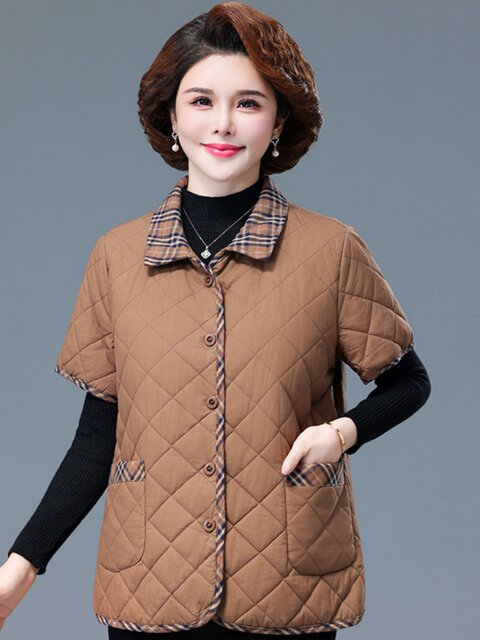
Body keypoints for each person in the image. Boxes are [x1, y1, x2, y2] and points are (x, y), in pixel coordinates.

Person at [1, 2, 431, 638]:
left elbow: (409, 382)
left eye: (248, 103)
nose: (223, 123)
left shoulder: (331, 251)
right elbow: (97, 439)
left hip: (287, 581)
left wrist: (341, 433)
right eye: (201, 101)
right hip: (149, 579)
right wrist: (19, 569)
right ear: (172, 117)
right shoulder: (116, 257)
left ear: (278, 120)